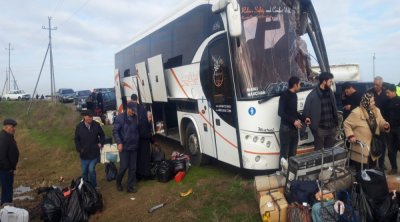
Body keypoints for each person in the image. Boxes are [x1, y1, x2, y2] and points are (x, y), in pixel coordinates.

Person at [344, 93, 390, 171]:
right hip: (361, 148)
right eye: (372, 101)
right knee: (362, 171)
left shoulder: (376, 110)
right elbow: (346, 124)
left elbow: (381, 121)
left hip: (373, 146)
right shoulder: (356, 112)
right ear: (366, 102)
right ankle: (361, 182)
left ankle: (370, 183)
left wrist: (385, 125)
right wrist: (351, 135)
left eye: (374, 101)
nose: (374, 103)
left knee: (372, 170)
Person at [303, 72, 338, 150]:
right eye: (330, 82)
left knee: (329, 152)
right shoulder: (312, 95)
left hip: (331, 128)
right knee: (318, 153)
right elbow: (306, 111)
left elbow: (334, 108)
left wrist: (336, 124)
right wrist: (313, 126)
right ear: (324, 81)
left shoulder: (330, 92)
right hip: (320, 129)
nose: (331, 83)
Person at [113, 102, 140, 193]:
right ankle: (118, 181)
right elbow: (115, 132)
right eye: (132, 111)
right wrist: (119, 143)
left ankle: (130, 187)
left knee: (133, 168)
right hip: (124, 147)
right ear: (128, 109)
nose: (133, 113)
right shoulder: (120, 118)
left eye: (134, 111)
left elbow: (137, 130)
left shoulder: (135, 118)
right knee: (124, 166)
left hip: (134, 146)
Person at [74, 111, 105, 188]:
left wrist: (101, 143)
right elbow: (76, 139)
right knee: (84, 172)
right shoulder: (79, 127)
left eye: (91, 117)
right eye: (88, 116)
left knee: (91, 170)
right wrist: (79, 149)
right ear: (84, 117)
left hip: (95, 153)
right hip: (84, 154)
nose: (90, 118)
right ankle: (86, 187)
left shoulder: (96, 125)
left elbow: (102, 135)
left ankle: (94, 187)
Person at [278, 76, 304, 162]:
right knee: (284, 154)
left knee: (293, 154)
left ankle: (291, 173)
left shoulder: (295, 95)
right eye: (299, 84)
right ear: (295, 85)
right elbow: (280, 112)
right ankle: (282, 173)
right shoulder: (284, 95)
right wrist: (294, 121)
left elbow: (294, 112)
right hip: (286, 129)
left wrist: (304, 118)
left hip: (294, 129)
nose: (300, 86)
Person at [367, 76, 390, 169]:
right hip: (372, 123)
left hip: (383, 123)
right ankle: (372, 164)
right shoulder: (369, 92)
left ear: (381, 84)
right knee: (373, 144)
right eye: (374, 84)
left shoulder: (386, 93)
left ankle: (381, 163)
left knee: (383, 145)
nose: (375, 86)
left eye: (377, 84)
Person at [130, 94, 153, 180]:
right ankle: (146, 174)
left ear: (131, 99)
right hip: (144, 136)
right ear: (137, 99)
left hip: (135, 137)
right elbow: (146, 122)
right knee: (145, 156)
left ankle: (138, 175)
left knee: (137, 157)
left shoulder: (130, 110)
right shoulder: (142, 108)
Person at [0, 119, 20, 205]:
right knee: (7, 191)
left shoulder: (8, 136)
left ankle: (7, 208)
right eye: (12, 127)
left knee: (8, 190)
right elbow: (1, 156)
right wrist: (8, 168)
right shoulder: (3, 138)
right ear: (6, 127)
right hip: (5, 170)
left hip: (7, 170)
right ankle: (6, 209)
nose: (14, 129)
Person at [384, 84, 400, 174]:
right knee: (391, 150)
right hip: (390, 129)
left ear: (393, 92)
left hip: (399, 129)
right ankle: (394, 168)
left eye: (388, 92)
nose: (387, 94)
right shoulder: (386, 102)